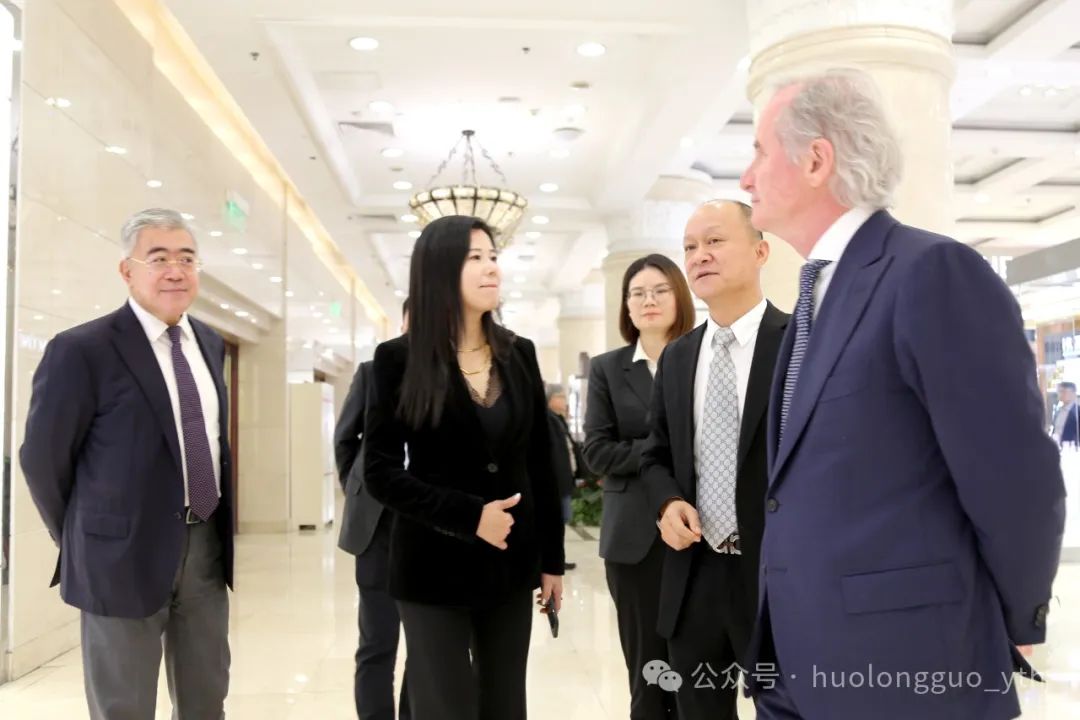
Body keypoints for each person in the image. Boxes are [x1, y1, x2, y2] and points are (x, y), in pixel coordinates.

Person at [738, 68, 1066, 720]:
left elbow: (1013, 472)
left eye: (758, 153)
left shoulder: (930, 273)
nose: (746, 178)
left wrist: (1018, 612)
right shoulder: (813, 294)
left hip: (908, 663)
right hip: (798, 660)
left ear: (816, 160)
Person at [20, 208, 233, 719]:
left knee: (207, 698)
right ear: (127, 270)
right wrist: (84, 535)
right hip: (118, 556)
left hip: (204, 546)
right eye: (158, 259)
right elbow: (43, 459)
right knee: (124, 706)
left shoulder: (209, 342)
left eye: (187, 258)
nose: (176, 271)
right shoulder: (82, 349)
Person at [363, 215, 565, 720]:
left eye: (493, 256)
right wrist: (470, 516)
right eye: (475, 258)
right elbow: (380, 472)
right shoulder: (398, 359)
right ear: (439, 270)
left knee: (505, 704)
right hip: (432, 566)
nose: (492, 267)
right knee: (444, 706)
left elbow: (541, 463)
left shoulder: (519, 353)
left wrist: (552, 560)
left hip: (510, 566)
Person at [639, 202, 789, 720]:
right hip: (695, 574)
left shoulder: (800, 345)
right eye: (689, 247)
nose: (699, 255)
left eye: (714, 241)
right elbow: (655, 454)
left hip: (776, 576)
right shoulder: (679, 356)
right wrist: (667, 503)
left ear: (760, 252)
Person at [583, 253, 696, 720]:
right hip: (633, 539)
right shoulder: (608, 368)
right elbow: (596, 451)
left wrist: (647, 449)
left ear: (679, 296)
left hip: (698, 530)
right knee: (648, 673)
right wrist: (663, 450)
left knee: (696, 673)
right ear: (626, 306)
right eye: (637, 293)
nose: (649, 300)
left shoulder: (703, 355)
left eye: (660, 290)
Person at [335, 297, 411, 720]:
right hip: (377, 527)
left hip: (432, 524)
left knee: (427, 644)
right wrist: (359, 489)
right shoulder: (372, 371)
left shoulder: (451, 375)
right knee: (377, 641)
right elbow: (346, 439)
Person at [546, 383, 584, 570]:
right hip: (556, 482)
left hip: (564, 480)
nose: (564, 401)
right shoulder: (548, 420)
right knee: (557, 521)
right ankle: (553, 560)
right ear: (550, 399)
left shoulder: (559, 420)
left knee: (562, 520)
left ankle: (557, 558)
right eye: (560, 397)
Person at [1053, 381, 1078, 447]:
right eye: (1059, 392)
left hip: (1070, 447)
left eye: (1063, 392)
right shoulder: (1058, 410)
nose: (1060, 394)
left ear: (1073, 394)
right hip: (1055, 445)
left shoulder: (1077, 411)